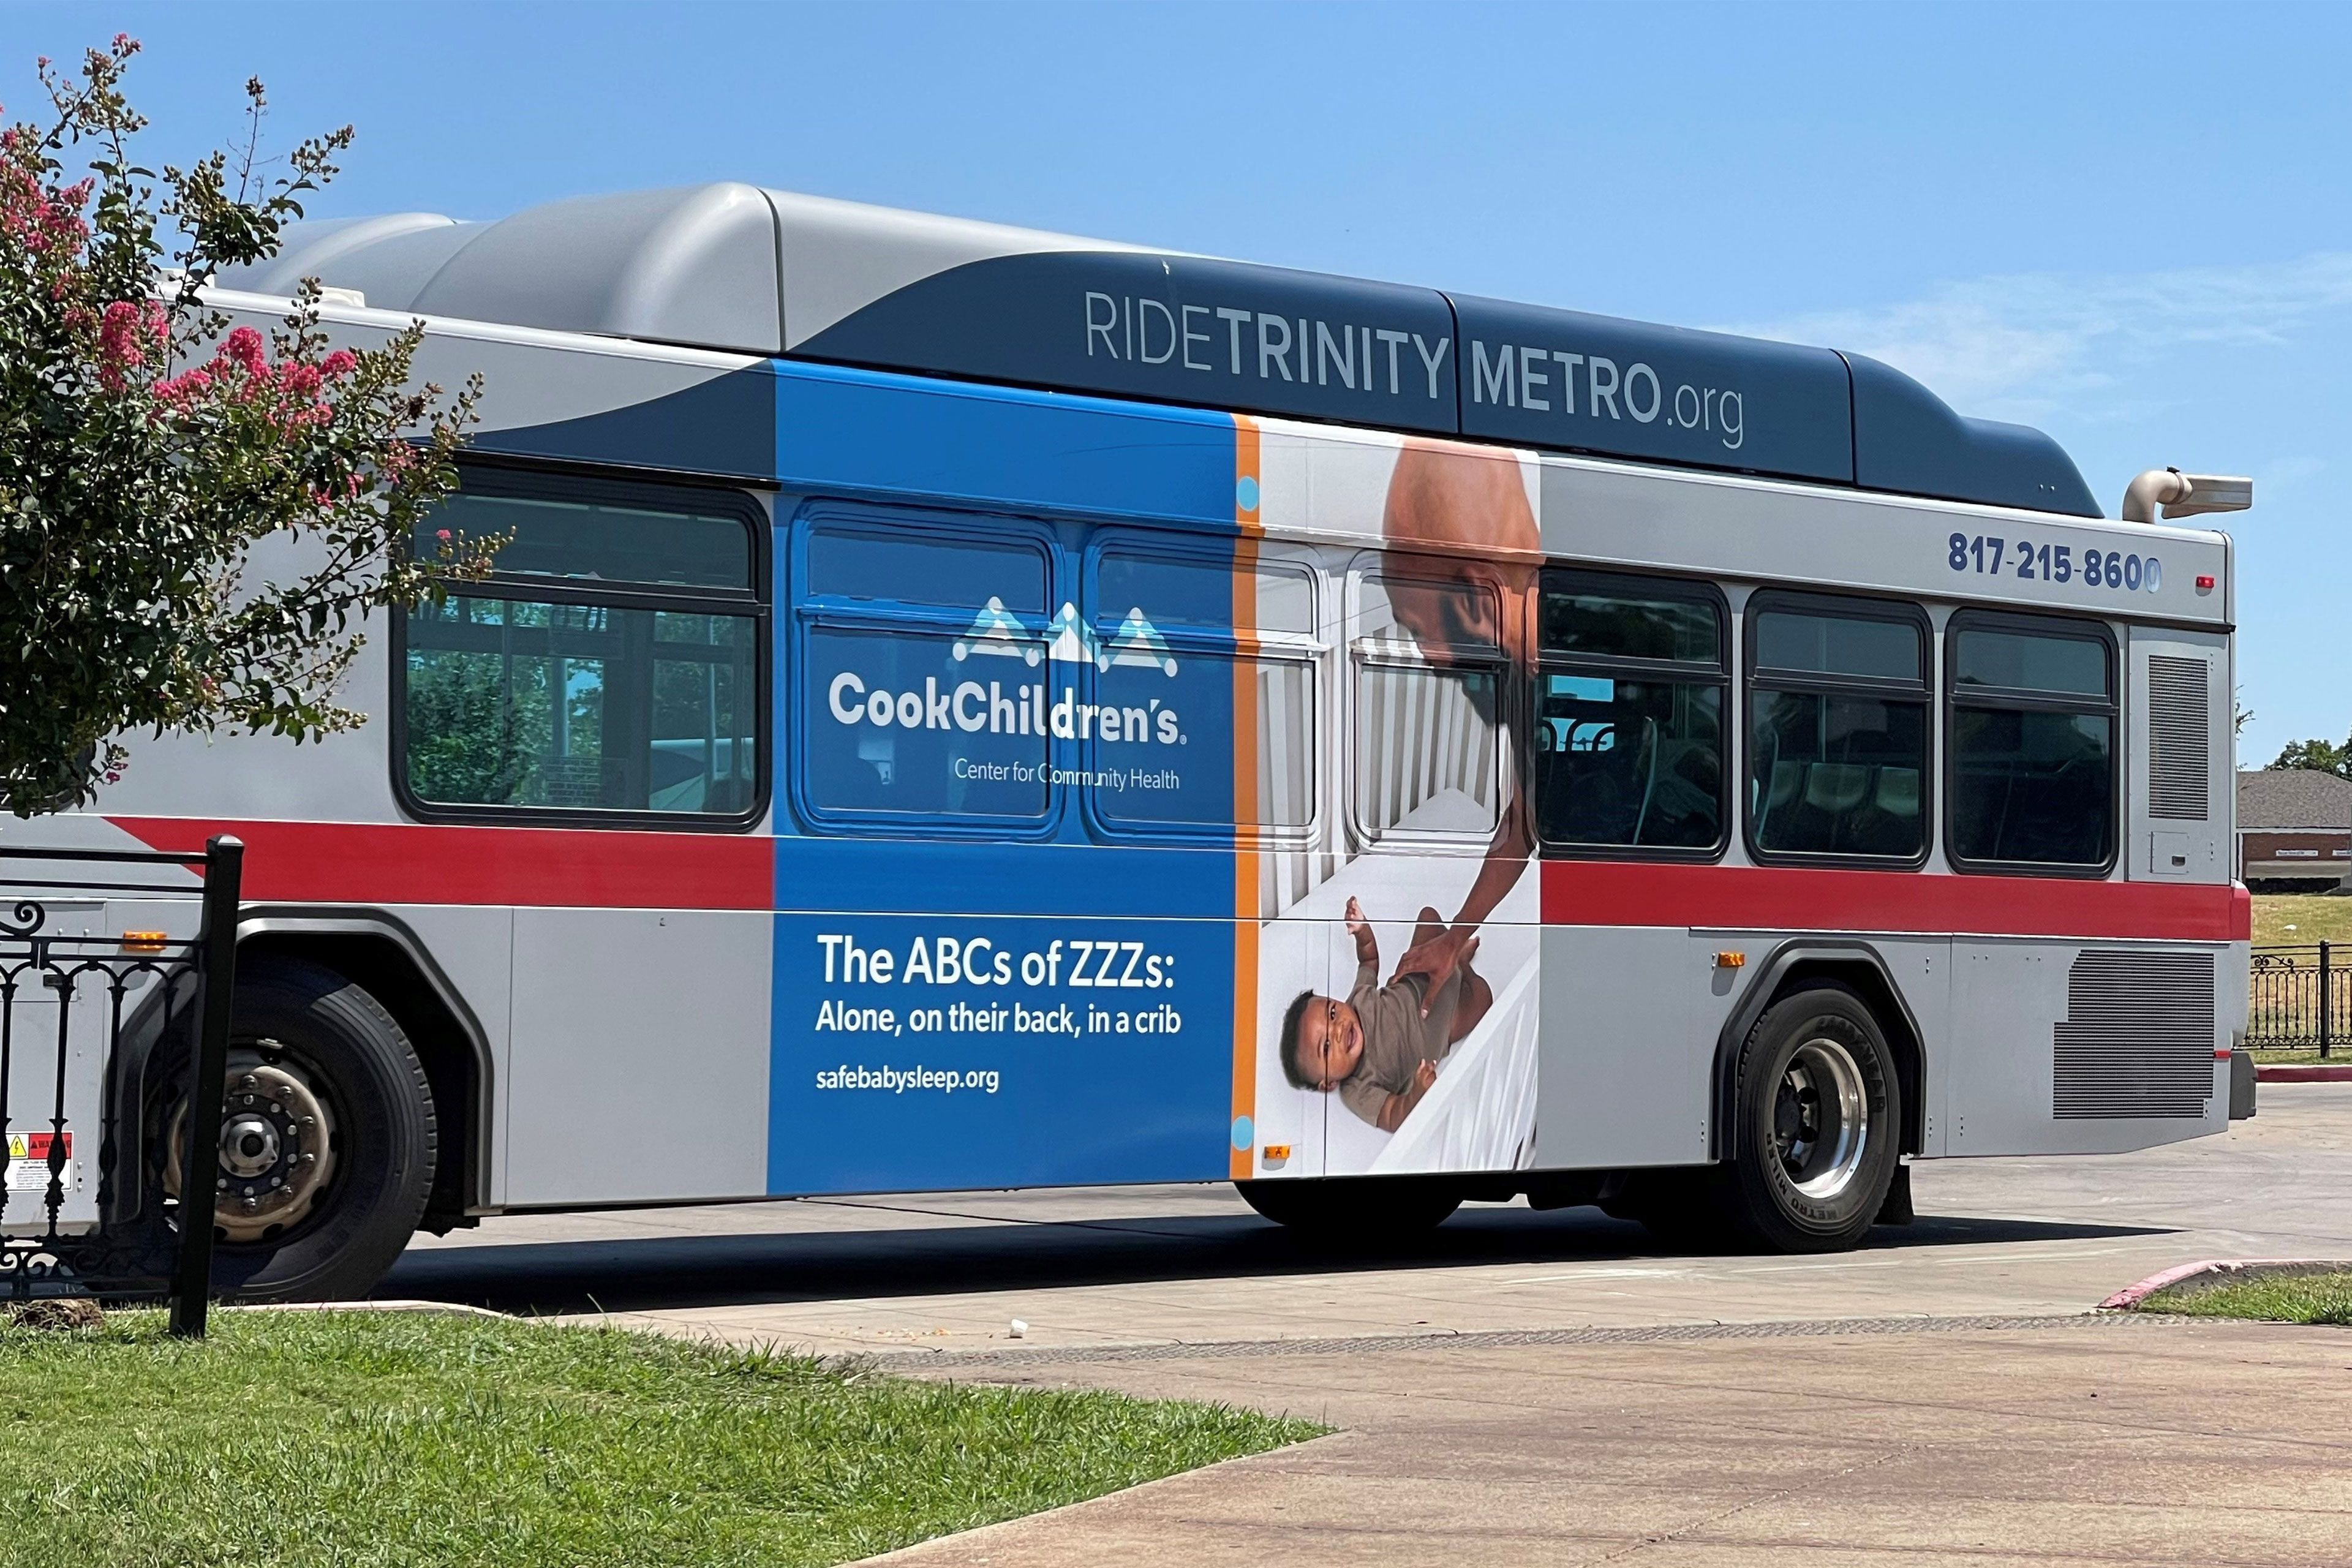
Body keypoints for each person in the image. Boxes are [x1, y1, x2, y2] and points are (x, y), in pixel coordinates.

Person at [1376, 439, 1540, 1011]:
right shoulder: (1528, 678)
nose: (1426, 659)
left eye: (1419, 631)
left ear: (1475, 597)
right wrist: (1455, 936)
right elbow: (1523, 827)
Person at [1277, 897, 1491, 1131]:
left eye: (1332, 1013)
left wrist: (1362, 931)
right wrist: (1416, 1093)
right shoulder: (1357, 1090)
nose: (1338, 1029)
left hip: (1419, 976)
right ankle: (1463, 965)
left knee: (1428, 915)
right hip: (1447, 1021)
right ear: (1328, 1084)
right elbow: (1392, 1115)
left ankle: (1454, 956)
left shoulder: (1358, 999)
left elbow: (1369, 960)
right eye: (1326, 1047)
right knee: (1483, 997)